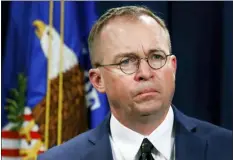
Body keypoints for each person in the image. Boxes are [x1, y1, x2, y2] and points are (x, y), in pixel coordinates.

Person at [38, 6, 232, 160]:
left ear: (172, 67)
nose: (145, 73)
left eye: (156, 57)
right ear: (98, 80)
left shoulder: (226, 149)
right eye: (126, 62)